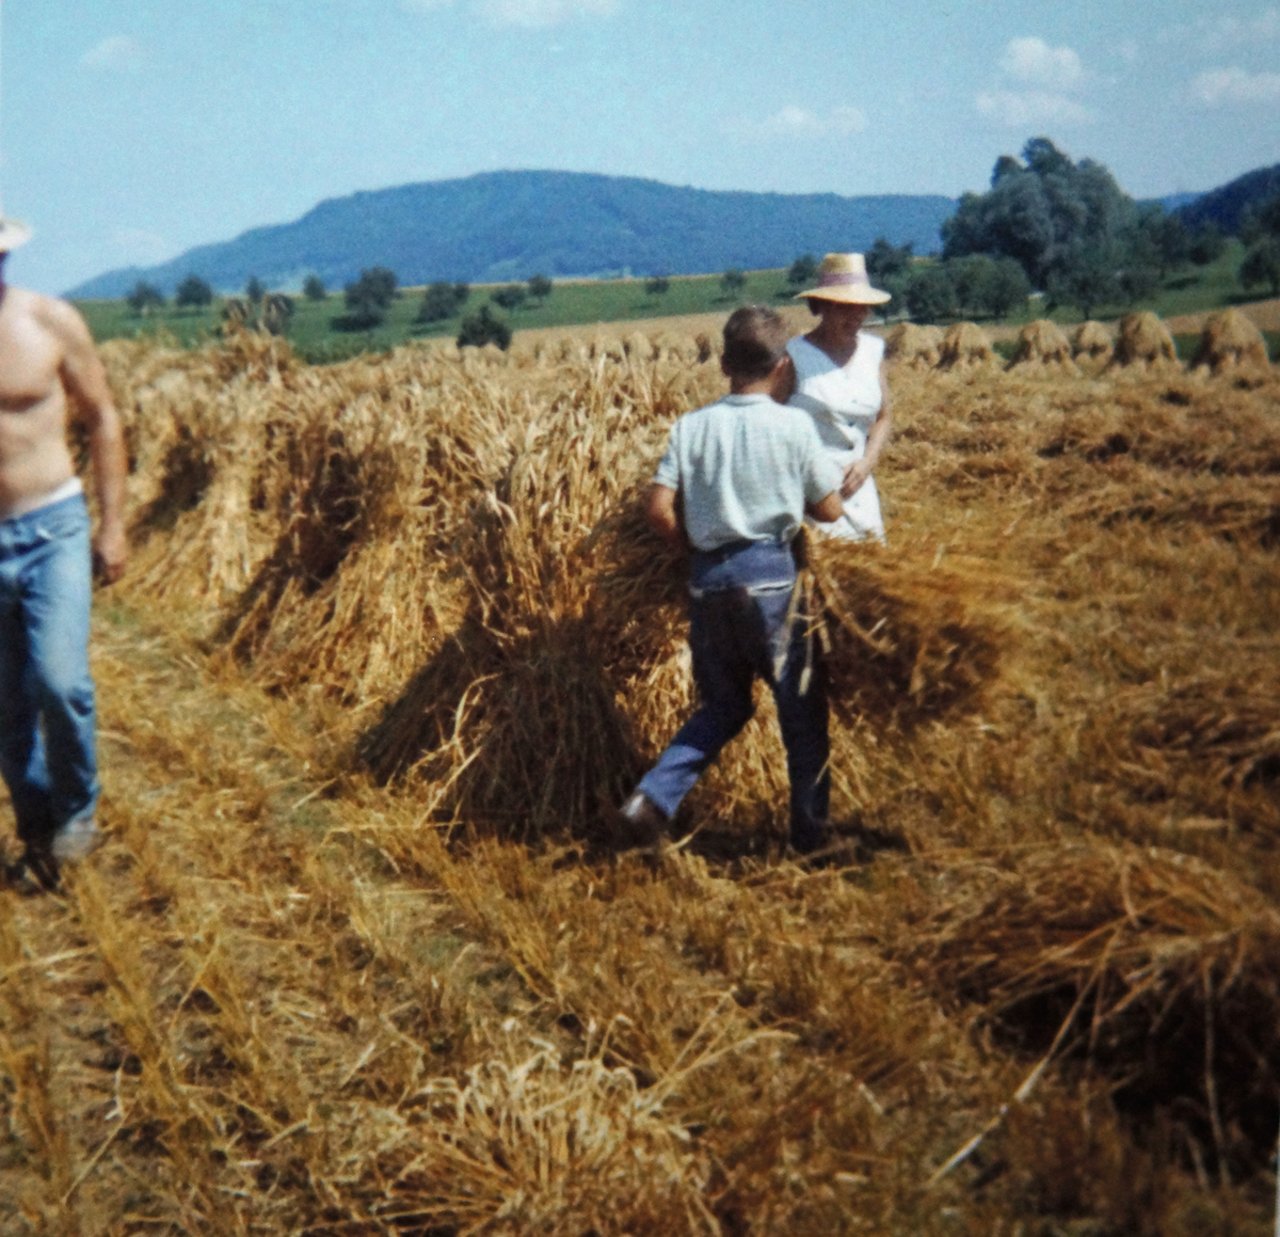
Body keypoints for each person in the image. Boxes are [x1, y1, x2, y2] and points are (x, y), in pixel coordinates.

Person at [619, 305, 844, 856]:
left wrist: (689, 547)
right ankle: (811, 839)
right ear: (784, 366)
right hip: (772, 587)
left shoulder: (692, 427)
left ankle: (648, 801)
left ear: (723, 364)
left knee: (722, 706)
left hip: (709, 584)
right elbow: (831, 510)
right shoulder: (795, 426)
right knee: (802, 711)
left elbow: (657, 507)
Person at [0, 216, 128, 889]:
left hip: (52, 525)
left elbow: (102, 415)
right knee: (7, 707)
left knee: (59, 680)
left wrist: (113, 524)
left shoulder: (49, 323)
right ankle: (38, 826)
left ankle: (77, 809)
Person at [786, 252, 893, 542]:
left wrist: (868, 462)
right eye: (847, 307)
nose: (857, 316)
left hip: (860, 488)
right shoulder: (794, 356)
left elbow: (884, 416)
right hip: (812, 500)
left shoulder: (873, 351)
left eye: (863, 308)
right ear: (822, 306)